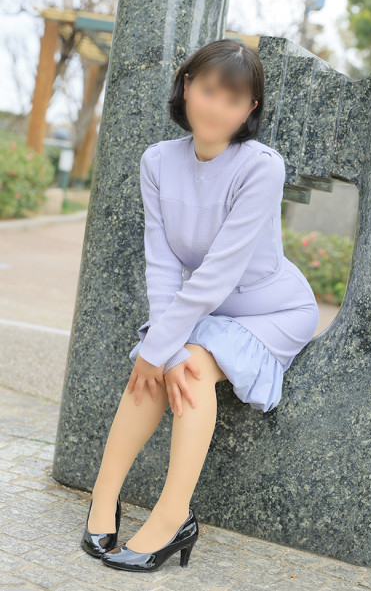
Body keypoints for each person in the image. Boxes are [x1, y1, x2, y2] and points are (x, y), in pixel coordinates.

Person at [81, 38, 319, 573]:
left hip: (272, 311)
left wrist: (163, 349)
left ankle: (173, 518)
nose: (216, 108)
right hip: (209, 309)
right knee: (156, 362)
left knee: (183, 363)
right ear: (187, 86)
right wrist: (158, 350)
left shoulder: (261, 167)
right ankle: (103, 497)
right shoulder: (157, 161)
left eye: (233, 100)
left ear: (249, 109)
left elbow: (216, 276)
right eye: (208, 90)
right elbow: (162, 262)